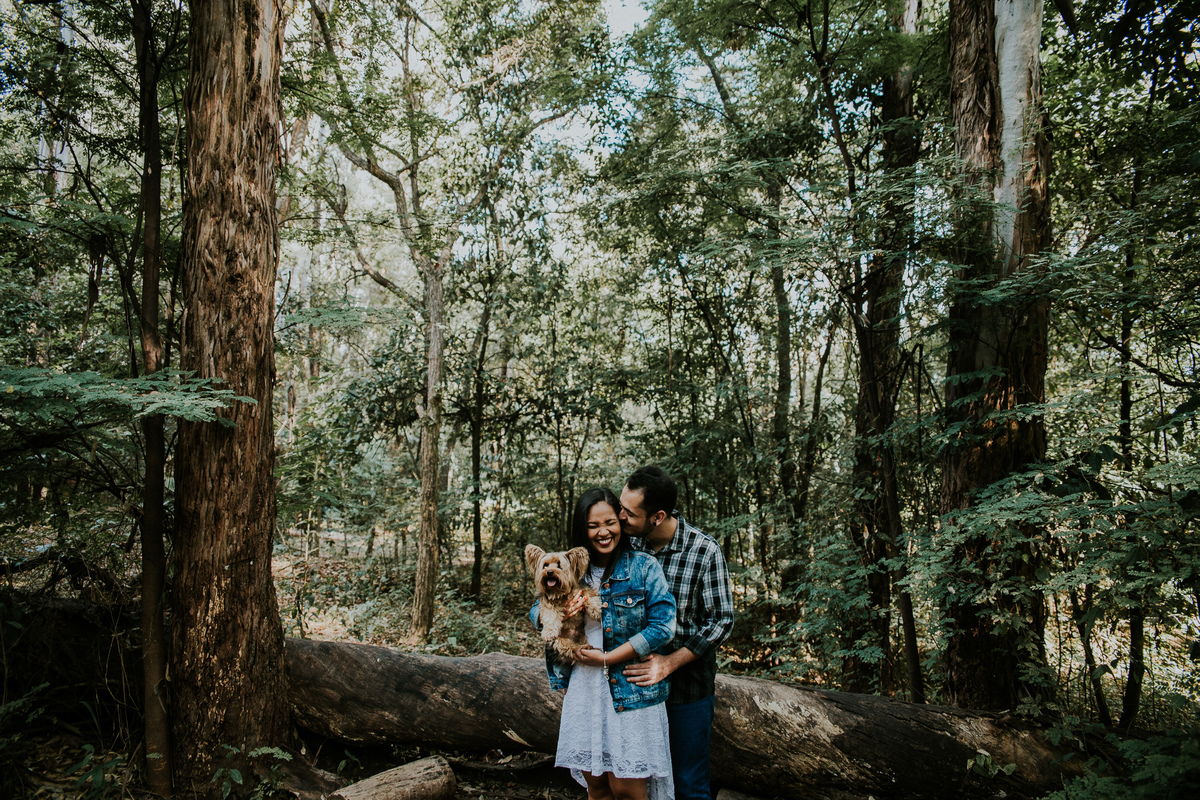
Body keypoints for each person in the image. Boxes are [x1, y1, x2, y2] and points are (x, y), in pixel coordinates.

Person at [532, 487, 678, 800]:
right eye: (593, 525)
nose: (603, 532)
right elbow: (538, 607)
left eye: (609, 522)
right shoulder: (569, 568)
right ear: (582, 529)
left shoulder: (643, 567)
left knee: (627, 790)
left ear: (621, 523)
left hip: (628, 687)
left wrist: (609, 658)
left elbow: (663, 626)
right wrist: (553, 614)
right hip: (585, 687)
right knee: (597, 788)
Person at [618, 466, 735, 800]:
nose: (620, 516)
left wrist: (669, 663)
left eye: (629, 512)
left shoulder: (704, 551)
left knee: (688, 783)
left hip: (687, 690)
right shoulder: (626, 545)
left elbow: (721, 621)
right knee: (639, 780)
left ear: (657, 517)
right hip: (633, 685)